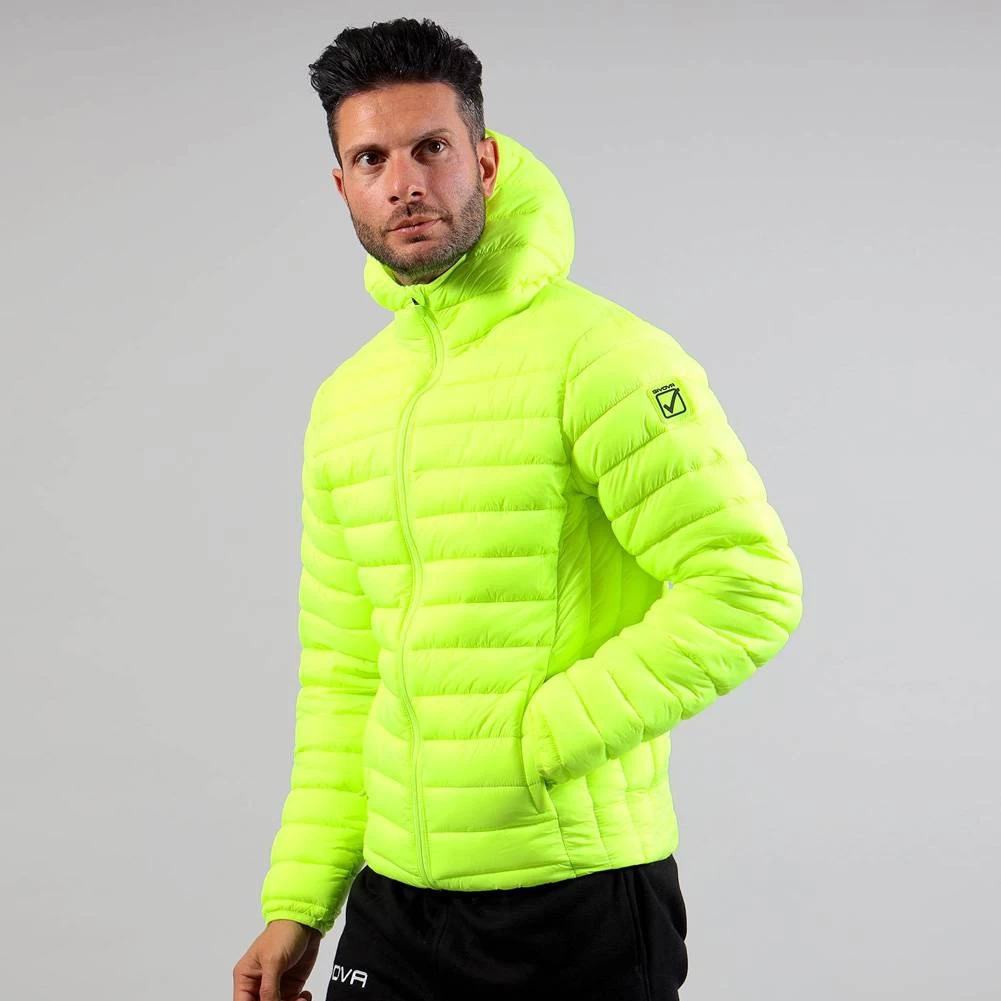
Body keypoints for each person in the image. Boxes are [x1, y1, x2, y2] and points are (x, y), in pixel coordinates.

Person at [232, 16, 804, 1001]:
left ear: (484, 161)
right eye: (371, 159)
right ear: (342, 185)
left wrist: (538, 741)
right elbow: (344, 672)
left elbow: (745, 586)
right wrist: (300, 899)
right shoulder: (347, 402)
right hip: (396, 895)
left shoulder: (605, 357)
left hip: (571, 893)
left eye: (430, 148)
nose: (403, 183)